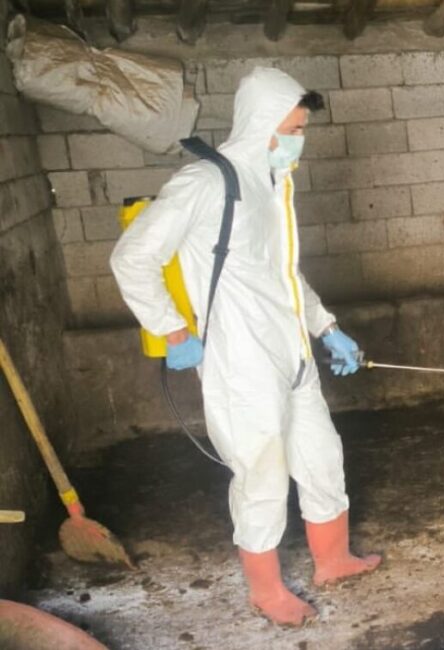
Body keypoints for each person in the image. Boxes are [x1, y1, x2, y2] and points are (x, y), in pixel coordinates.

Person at [110, 67, 381, 627]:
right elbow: (131, 257)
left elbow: (283, 274)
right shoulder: (206, 183)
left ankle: (333, 560)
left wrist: (327, 329)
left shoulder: (274, 185)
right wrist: (173, 330)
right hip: (240, 364)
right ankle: (266, 591)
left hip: (291, 358)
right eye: (295, 127)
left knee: (323, 458)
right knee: (261, 476)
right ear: (264, 124)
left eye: (302, 128)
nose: (300, 138)